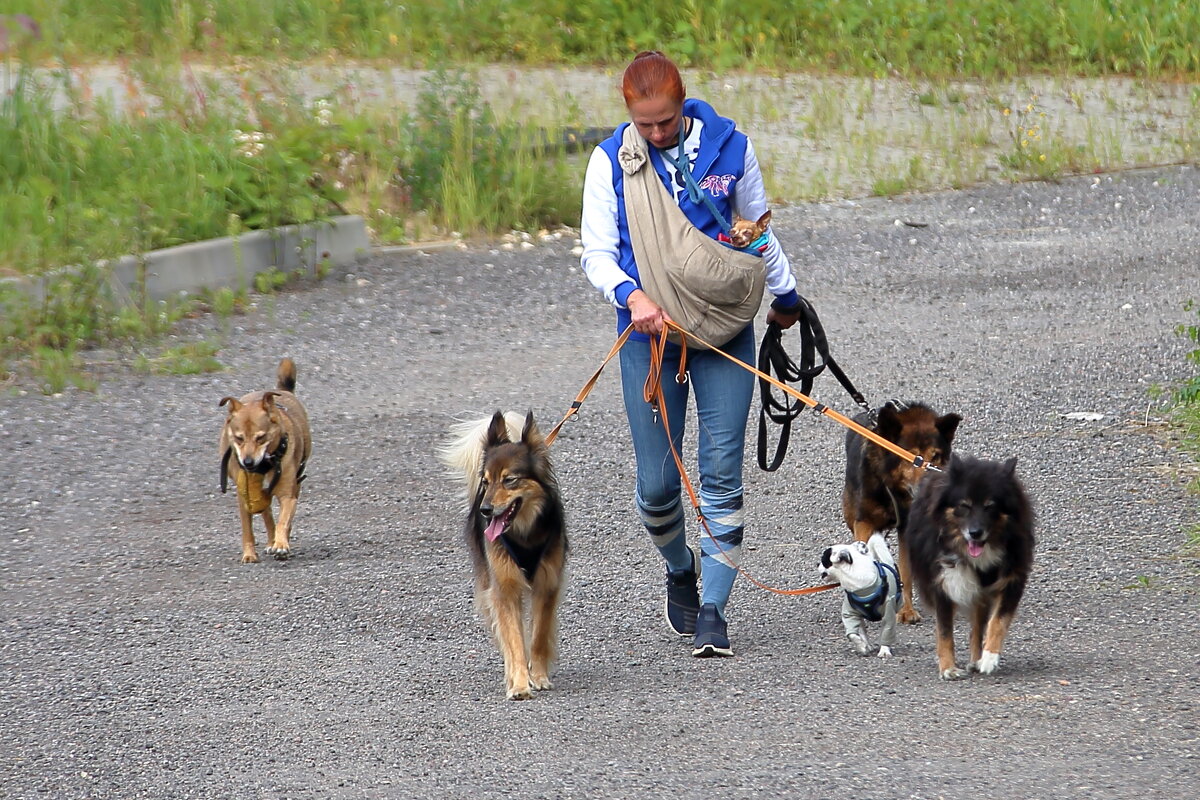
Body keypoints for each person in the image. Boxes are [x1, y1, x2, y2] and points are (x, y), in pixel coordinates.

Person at [579, 51, 804, 657]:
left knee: (722, 472)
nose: (656, 134)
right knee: (656, 486)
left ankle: (713, 610)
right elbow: (596, 254)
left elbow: (756, 227)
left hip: (725, 331)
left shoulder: (731, 147)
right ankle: (680, 568)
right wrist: (631, 295)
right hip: (650, 337)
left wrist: (786, 295)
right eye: (644, 124)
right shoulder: (610, 163)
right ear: (629, 114)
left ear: (683, 105)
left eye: (666, 122)